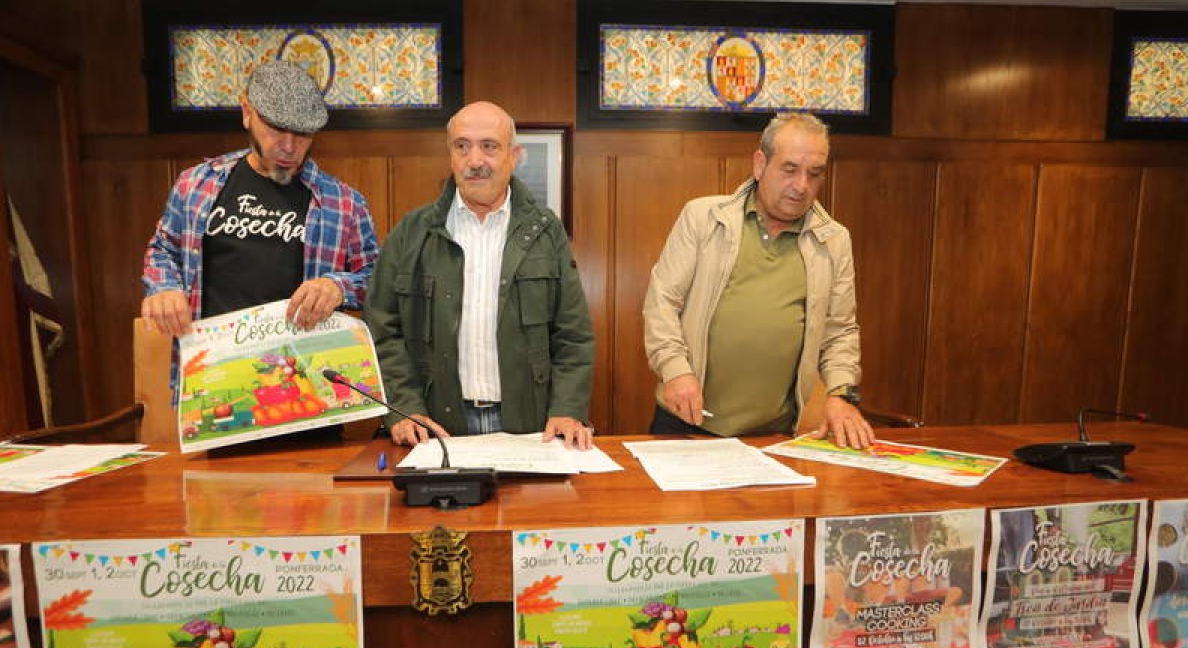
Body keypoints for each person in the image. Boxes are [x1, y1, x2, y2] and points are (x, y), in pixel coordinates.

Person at [365, 101, 595, 449]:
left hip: (530, 427)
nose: (475, 161)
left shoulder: (546, 233)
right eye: (462, 146)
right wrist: (403, 406)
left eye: (489, 146)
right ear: (450, 155)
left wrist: (567, 407)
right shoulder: (411, 233)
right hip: (434, 428)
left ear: (514, 156)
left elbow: (573, 335)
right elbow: (383, 331)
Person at [141, 60, 379, 391]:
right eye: (277, 129)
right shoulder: (195, 185)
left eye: (303, 134)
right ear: (247, 112)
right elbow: (162, 248)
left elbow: (378, 281)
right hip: (213, 381)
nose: (289, 147)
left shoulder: (345, 203)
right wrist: (164, 286)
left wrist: (337, 286)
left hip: (307, 386)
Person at [642, 112, 875, 448]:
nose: (801, 186)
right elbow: (662, 301)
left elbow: (840, 331)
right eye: (790, 169)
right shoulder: (703, 218)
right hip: (685, 421)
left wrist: (841, 394)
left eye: (815, 174)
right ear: (760, 163)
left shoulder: (834, 240)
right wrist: (675, 369)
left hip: (772, 434)